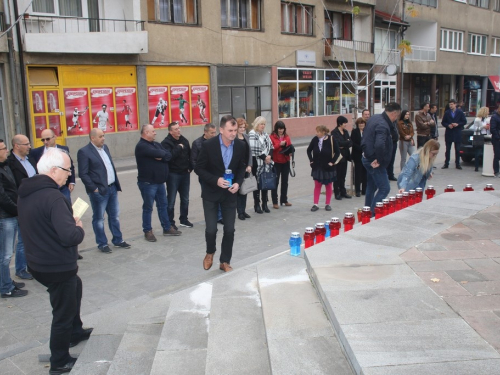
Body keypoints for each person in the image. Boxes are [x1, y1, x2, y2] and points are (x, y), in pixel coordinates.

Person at [17, 148, 91, 375]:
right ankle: (59, 361)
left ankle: (75, 331)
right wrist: (77, 226)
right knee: (62, 312)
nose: (69, 175)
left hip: (38, 262)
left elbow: (43, 224)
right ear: (53, 170)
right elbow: (70, 236)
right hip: (56, 265)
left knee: (75, 287)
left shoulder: (27, 191)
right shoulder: (54, 197)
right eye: (67, 170)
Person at [195, 115, 246, 273]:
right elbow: (199, 168)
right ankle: (210, 252)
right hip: (211, 193)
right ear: (222, 129)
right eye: (230, 130)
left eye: (235, 130)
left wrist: (238, 182)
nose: (233, 133)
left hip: (230, 194)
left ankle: (225, 261)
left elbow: (242, 167)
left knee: (229, 229)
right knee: (211, 229)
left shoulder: (240, 145)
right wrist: (215, 180)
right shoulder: (208, 145)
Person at [77, 128, 131, 253]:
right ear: (93, 138)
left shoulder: (105, 148)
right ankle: (102, 243)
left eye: (104, 135)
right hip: (99, 192)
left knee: (114, 216)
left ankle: (118, 240)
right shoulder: (84, 152)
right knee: (99, 218)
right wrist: (94, 189)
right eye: (101, 136)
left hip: (112, 188)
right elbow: (83, 174)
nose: (103, 138)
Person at [135, 125, 181, 242]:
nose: (155, 133)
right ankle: (147, 230)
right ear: (146, 132)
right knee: (148, 207)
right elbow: (162, 154)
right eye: (153, 131)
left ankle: (166, 228)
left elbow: (168, 155)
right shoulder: (141, 146)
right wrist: (161, 155)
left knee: (163, 206)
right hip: (148, 183)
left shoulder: (156, 144)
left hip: (159, 182)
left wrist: (161, 155)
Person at [0, 139, 28, 298]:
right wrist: (17, 210)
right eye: (3, 149)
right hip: (5, 217)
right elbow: (2, 197)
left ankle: (7, 281)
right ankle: (5, 288)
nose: (6, 151)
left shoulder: (5, 165)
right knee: (5, 255)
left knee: (6, 254)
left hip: (11, 214)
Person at [362, 102, 401, 215]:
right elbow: (379, 144)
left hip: (367, 156)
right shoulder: (383, 125)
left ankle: (367, 211)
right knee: (384, 188)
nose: (396, 119)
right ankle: (373, 214)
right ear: (394, 114)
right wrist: (379, 160)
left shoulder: (375, 118)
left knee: (371, 186)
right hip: (374, 161)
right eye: (397, 116)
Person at [7, 134, 37, 280]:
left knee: (33, 237)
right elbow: (11, 188)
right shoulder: (10, 163)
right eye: (26, 144)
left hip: (35, 203)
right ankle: (20, 269)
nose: (29, 146)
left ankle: (32, 265)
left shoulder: (30, 159)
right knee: (23, 240)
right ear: (17, 146)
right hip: (21, 205)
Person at [161, 122, 193, 229]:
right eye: (175, 129)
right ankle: (170, 222)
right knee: (171, 200)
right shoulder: (166, 143)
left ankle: (184, 219)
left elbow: (190, 155)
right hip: (173, 175)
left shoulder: (184, 140)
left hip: (185, 173)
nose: (178, 130)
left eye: (179, 128)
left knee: (185, 199)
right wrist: (178, 148)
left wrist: (190, 167)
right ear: (170, 131)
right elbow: (169, 157)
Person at [30, 129, 76, 203]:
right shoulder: (35, 152)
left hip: (63, 186)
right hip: (46, 187)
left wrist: (72, 181)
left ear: (55, 137)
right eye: (43, 140)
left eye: (48, 139)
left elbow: (70, 166)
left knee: (66, 206)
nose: (45, 142)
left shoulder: (64, 149)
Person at [191, 123, 222, 224]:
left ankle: (220, 216)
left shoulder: (218, 141)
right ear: (205, 132)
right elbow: (194, 161)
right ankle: (211, 218)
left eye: (215, 132)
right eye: (211, 133)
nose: (214, 134)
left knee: (219, 195)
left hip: (217, 174)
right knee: (208, 197)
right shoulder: (197, 143)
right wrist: (201, 173)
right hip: (205, 176)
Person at [307, 125, 340, 212]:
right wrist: (311, 160)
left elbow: (337, 152)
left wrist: (332, 162)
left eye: (318, 132)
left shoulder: (331, 139)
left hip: (328, 167)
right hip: (317, 167)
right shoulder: (315, 139)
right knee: (317, 185)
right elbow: (308, 150)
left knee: (328, 185)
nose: (316, 133)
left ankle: (327, 204)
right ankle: (315, 204)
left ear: (323, 132)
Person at [248, 116, 273, 214]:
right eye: (260, 124)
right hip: (256, 162)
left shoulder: (265, 134)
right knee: (257, 184)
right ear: (256, 124)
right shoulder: (252, 134)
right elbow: (254, 148)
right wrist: (265, 157)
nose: (262, 126)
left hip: (266, 162)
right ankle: (257, 205)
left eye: (263, 124)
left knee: (265, 183)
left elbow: (271, 146)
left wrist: (270, 156)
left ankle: (265, 204)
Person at [270, 121, 292, 209]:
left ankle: (284, 200)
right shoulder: (271, 137)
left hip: (285, 161)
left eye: (282, 129)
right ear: (276, 129)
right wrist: (279, 144)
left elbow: (290, 147)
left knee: (285, 182)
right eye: (279, 129)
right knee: (275, 182)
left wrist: (290, 152)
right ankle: (275, 202)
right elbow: (271, 148)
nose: (281, 131)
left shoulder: (286, 136)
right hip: (276, 162)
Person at [442, 99, 467, 169]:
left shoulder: (460, 112)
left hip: (457, 132)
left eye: (452, 104)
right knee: (447, 149)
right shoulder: (447, 113)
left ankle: (457, 164)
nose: (451, 106)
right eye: (450, 104)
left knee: (458, 149)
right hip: (449, 133)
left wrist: (458, 124)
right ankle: (446, 163)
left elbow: (464, 121)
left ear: (455, 104)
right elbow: (443, 122)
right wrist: (448, 125)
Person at [331, 116, 352, 200]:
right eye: (344, 123)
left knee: (343, 175)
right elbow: (337, 143)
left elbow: (350, 142)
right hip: (338, 157)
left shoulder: (346, 132)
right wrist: (344, 143)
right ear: (340, 123)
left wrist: (344, 144)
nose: (345, 125)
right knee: (337, 175)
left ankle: (343, 192)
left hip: (345, 156)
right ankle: (337, 192)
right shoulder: (334, 132)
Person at [235, 118, 253, 220]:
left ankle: (243, 210)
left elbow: (250, 153)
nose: (242, 129)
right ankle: (239, 212)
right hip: (238, 168)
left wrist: (249, 165)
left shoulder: (246, 137)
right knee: (238, 190)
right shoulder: (233, 138)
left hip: (246, 167)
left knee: (244, 190)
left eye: (243, 127)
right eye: (240, 127)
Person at [471, 107, 491, 172]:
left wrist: (488, 127)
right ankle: (476, 167)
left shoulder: (487, 119)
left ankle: (484, 166)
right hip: (478, 136)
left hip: (486, 135)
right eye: (487, 111)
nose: (488, 112)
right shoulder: (477, 119)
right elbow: (475, 129)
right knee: (478, 152)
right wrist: (483, 127)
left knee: (485, 151)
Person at [351, 117, 367, 197]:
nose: (361, 125)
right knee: (357, 173)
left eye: (363, 123)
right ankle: (357, 190)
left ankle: (364, 190)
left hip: (366, 155)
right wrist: (360, 148)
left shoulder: (367, 131)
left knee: (365, 173)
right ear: (357, 124)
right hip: (357, 155)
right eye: (360, 123)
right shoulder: (354, 132)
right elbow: (352, 143)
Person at [386, 114, 399, 182]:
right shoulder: (387, 123)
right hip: (389, 143)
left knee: (392, 159)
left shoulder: (395, 122)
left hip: (394, 142)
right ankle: (386, 175)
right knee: (388, 159)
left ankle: (391, 174)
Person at [490, 104, 500, 177]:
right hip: (497, 140)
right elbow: (493, 129)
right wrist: (498, 137)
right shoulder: (494, 117)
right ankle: (496, 171)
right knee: (497, 155)